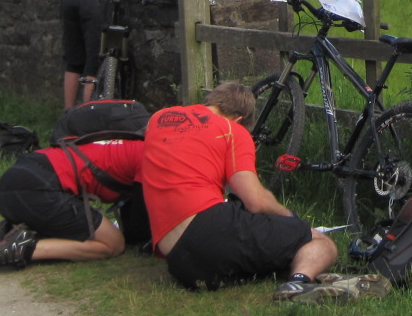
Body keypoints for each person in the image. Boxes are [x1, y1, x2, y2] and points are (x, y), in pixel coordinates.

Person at [140, 82, 387, 304]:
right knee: (320, 242)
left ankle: (299, 269)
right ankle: (298, 284)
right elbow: (255, 201)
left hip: (177, 258)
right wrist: (291, 220)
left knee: (259, 243)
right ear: (239, 119)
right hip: (208, 228)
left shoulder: (160, 118)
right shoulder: (232, 130)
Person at [0, 137, 147, 274]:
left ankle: (17, 232)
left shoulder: (129, 144)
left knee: (92, 229)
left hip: (13, 184)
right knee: (114, 243)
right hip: (38, 189)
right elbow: (138, 225)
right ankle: (22, 248)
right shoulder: (150, 157)